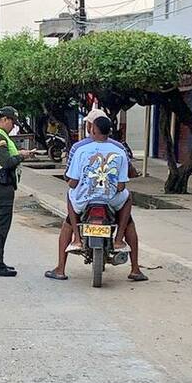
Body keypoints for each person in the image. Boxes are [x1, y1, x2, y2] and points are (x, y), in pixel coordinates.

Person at [45, 110, 147, 282]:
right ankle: (125, 251)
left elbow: (72, 182)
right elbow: (122, 185)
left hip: (85, 200)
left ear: (92, 129)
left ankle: (71, 248)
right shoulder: (120, 150)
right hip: (111, 200)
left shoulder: (80, 149)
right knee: (128, 201)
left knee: (70, 199)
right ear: (109, 130)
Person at [0, 106, 35, 277]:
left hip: (1, 182)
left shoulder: (0, 135)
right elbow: (6, 162)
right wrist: (22, 156)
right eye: (12, 121)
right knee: (0, 225)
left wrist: (19, 153)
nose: (14, 126)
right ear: (5, 119)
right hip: (1, 183)